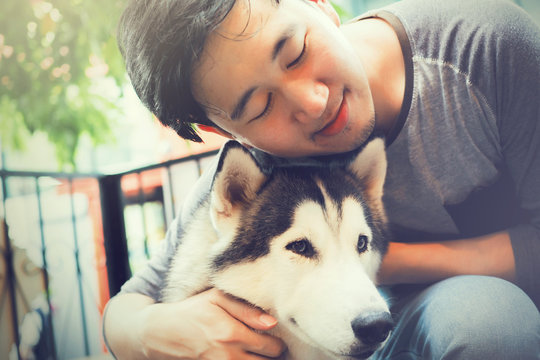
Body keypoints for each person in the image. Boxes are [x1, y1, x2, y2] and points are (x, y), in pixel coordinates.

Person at [103, 0, 540, 358]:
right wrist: (156, 330)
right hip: (355, 336)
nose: (314, 103)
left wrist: (368, 259)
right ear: (226, 133)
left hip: (477, 320)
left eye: (296, 52)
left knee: (490, 324)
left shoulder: (485, 50)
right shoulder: (255, 172)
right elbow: (123, 310)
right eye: (259, 108)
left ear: (318, 4)